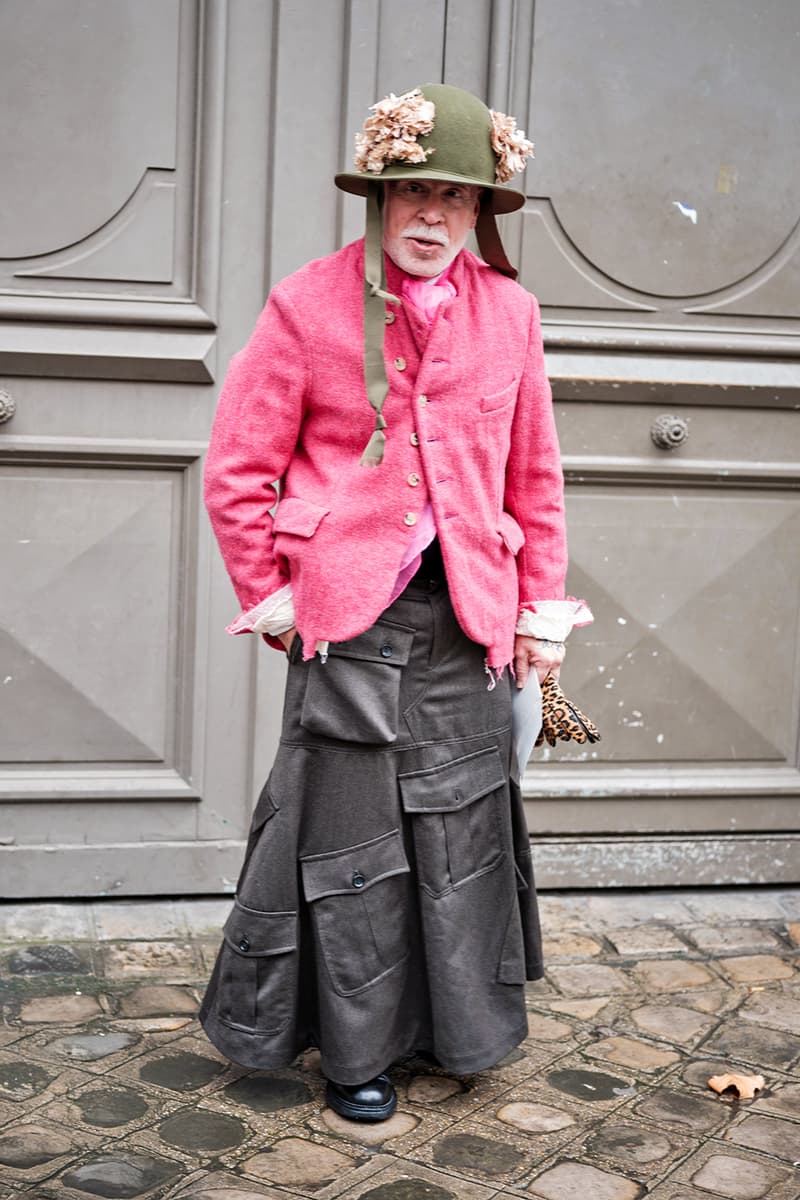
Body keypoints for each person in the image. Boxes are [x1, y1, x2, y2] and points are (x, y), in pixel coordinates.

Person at [200, 83, 591, 1122]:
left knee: (460, 836)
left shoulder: (511, 313)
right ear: (377, 198)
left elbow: (532, 475)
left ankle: (452, 1032)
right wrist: (270, 594)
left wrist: (537, 608)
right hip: (347, 624)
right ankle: (356, 1053)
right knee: (352, 850)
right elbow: (239, 467)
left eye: (454, 199)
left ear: (478, 213)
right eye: (412, 192)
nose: (431, 216)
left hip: (468, 615)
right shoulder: (306, 303)